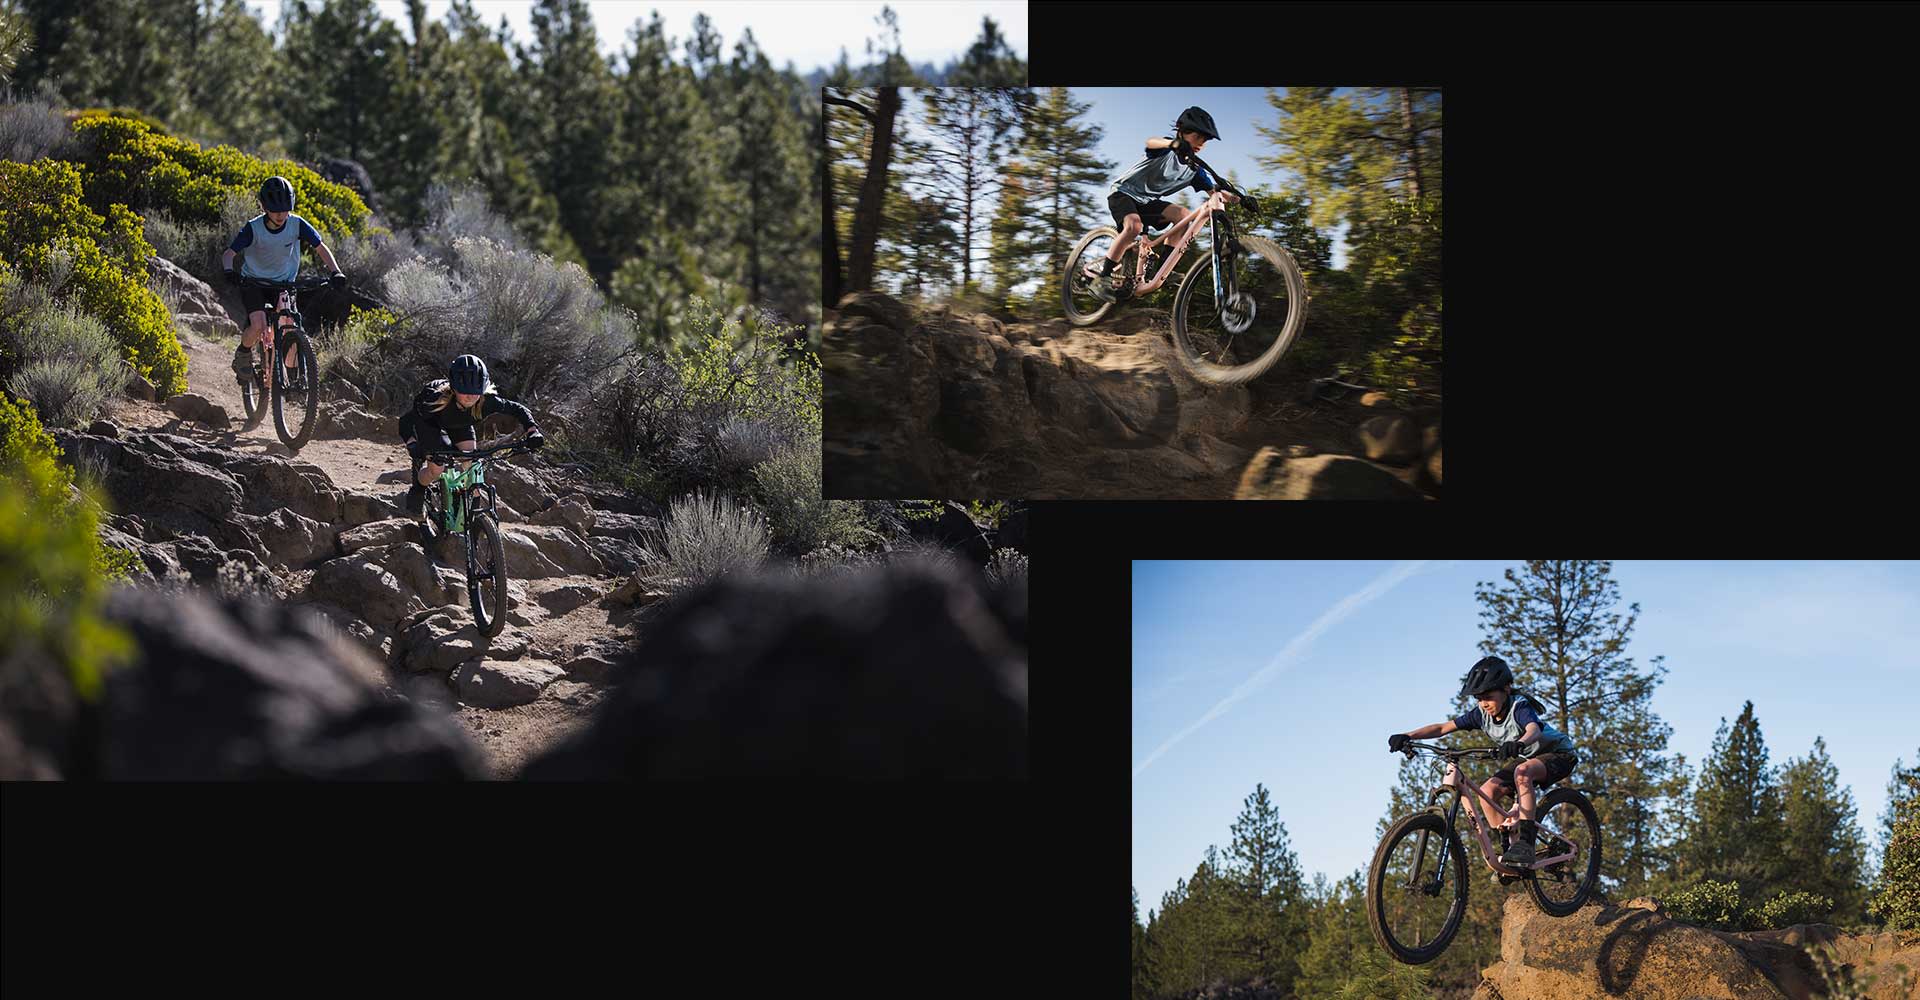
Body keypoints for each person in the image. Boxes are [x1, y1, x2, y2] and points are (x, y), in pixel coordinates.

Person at [1386, 656, 1580, 867]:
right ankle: (1509, 851)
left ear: (1507, 689)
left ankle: (1525, 843)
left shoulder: (1519, 707)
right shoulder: (1480, 715)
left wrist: (1519, 743)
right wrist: (1408, 735)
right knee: (1487, 791)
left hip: (1559, 754)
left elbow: (1533, 729)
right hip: (1528, 757)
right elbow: (1443, 728)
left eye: (1488, 697)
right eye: (1479, 698)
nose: (1483, 704)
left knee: (1523, 773)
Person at [1082, 106, 1241, 300]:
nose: (1201, 143)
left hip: (1147, 202)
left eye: (1205, 140)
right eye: (1198, 137)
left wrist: (1236, 198)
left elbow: (1213, 192)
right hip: (1123, 193)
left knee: (1182, 215)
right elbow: (1151, 142)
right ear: (1181, 130)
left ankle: (1163, 269)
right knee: (1133, 226)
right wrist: (1172, 144)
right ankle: (1102, 278)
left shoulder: (1194, 169)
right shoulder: (1165, 148)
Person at [222, 175, 348, 386]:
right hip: (253, 283)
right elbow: (229, 254)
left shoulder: (297, 224)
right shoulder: (253, 228)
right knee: (259, 323)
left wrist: (336, 271)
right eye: (275, 210)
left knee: (290, 324)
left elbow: (320, 248)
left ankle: (293, 377)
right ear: (264, 207)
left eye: (285, 209)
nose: (281, 215)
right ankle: (243, 353)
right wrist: (229, 271)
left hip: (284, 284)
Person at [396, 354, 544, 516]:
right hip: (431, 424)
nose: (471, 397)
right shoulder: (433, 399)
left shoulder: (487, 401)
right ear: (453, 387)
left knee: (472, 465)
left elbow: (518, 409)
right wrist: (411, 442)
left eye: (476, 392)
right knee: (436, 469)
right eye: (465, 391)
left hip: (461, 425)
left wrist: (532, 431)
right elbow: (406, 421)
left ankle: (475, 516)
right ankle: (418, 489)